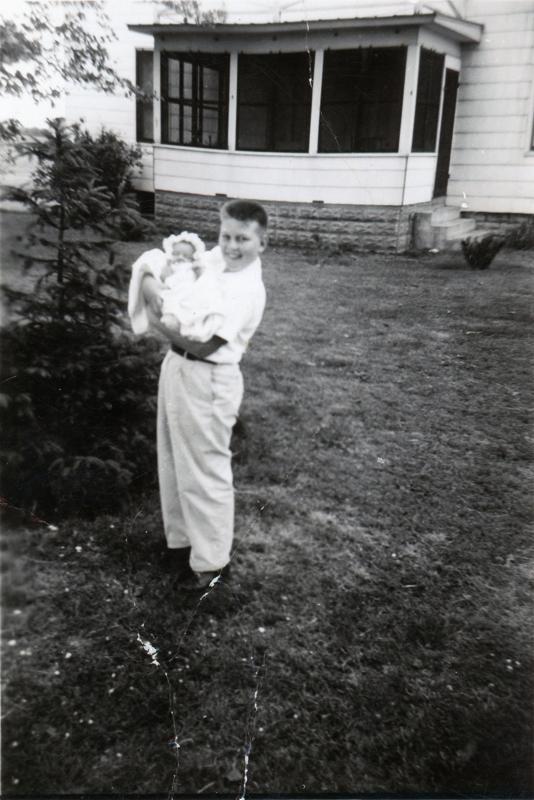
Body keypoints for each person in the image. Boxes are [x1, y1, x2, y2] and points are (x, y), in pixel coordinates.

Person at [139, 199, 267, 591]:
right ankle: (182, 544)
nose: (231, 246)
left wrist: (158, 321)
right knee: (173, 459)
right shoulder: (212, 261)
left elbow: (206, 345)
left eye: (242, 239)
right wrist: (150, 282)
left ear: (262, 242)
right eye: (226, 236)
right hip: (177, 368)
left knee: (205, 470)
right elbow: (157, 260)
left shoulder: (248, 289)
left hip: (209, 378)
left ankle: (210, 564)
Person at [128, 231, 226, 342]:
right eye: (176, 254)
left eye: (185, 256)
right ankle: (170, 317)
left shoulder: (192, 266)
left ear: (192, 258)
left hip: (187, 288)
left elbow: (201, 280)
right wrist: (166, 271)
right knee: (170, 297)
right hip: (172, 287)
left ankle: (186, 323)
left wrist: (198, 271)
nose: (180, 257)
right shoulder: (169, 265)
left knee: (189, 302)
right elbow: (163, 277)